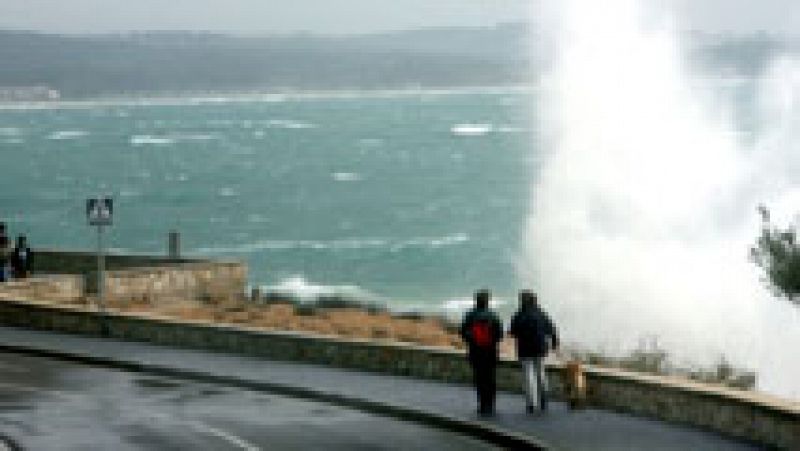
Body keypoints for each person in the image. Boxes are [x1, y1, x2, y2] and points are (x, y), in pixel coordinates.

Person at [509, 290, 559, 414]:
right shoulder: (541, 313)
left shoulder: (519, 314)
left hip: (525, 349)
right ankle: (544, 400)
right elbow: (551, 329)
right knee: (540, 373)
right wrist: (554, 343)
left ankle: (531, 403)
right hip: (540, 348)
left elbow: (513, 332)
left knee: (528, 376)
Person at [460, 289, 504, 416]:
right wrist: (492, 341)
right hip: (490, 352)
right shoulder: (493, 315)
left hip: (476, 351)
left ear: (476, 300)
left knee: (479, 378)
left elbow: (463, 332)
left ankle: (482, 405)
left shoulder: (470, 315)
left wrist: (472, 340)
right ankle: (491, 405)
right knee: (490, 378)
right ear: (488, 301)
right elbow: (500, 335)